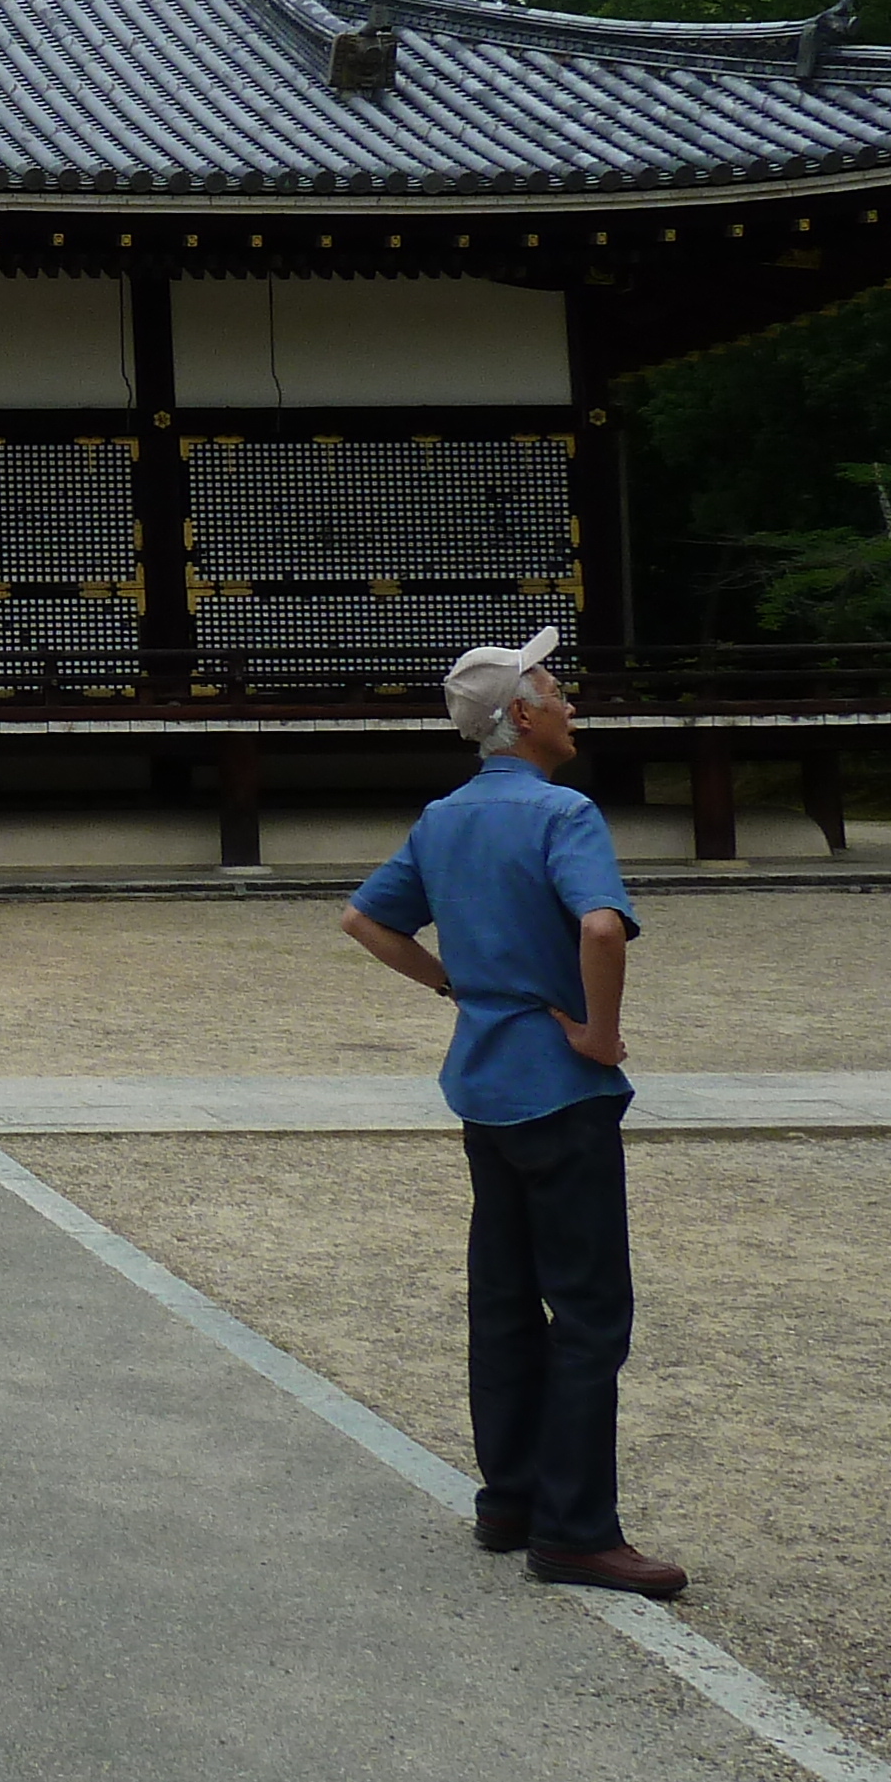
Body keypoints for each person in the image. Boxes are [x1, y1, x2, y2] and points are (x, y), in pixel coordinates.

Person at [341, 625, 688, 1600]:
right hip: (562, 1089)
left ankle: (510, 1498)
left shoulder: (442, 818)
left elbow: (363, 920)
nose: (570, 701)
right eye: (554, 687)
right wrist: (599, 1034)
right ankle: (577, 1529)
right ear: (522, 717)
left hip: (484, 1086)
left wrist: (453, 983)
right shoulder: (562, 813)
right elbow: (599, 925)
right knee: (586, 1312)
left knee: (503, 1299)